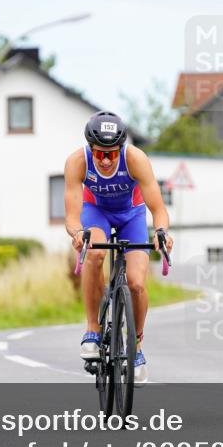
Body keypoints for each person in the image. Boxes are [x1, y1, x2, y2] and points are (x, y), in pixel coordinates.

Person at [63, 111, 173, 385]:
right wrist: (77, 234)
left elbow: (158, 209)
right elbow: (72, 216)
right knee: (96, 253)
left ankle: (135, 346)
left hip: (131, 214)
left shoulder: (135, 159)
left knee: (136, 283)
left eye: (112, 154)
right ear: (90, 148)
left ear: (121, 149)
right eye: (100, 154)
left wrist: (161, 232)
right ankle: (92, 328)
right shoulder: (77, 162)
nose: (105, 160)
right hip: (96, 212)